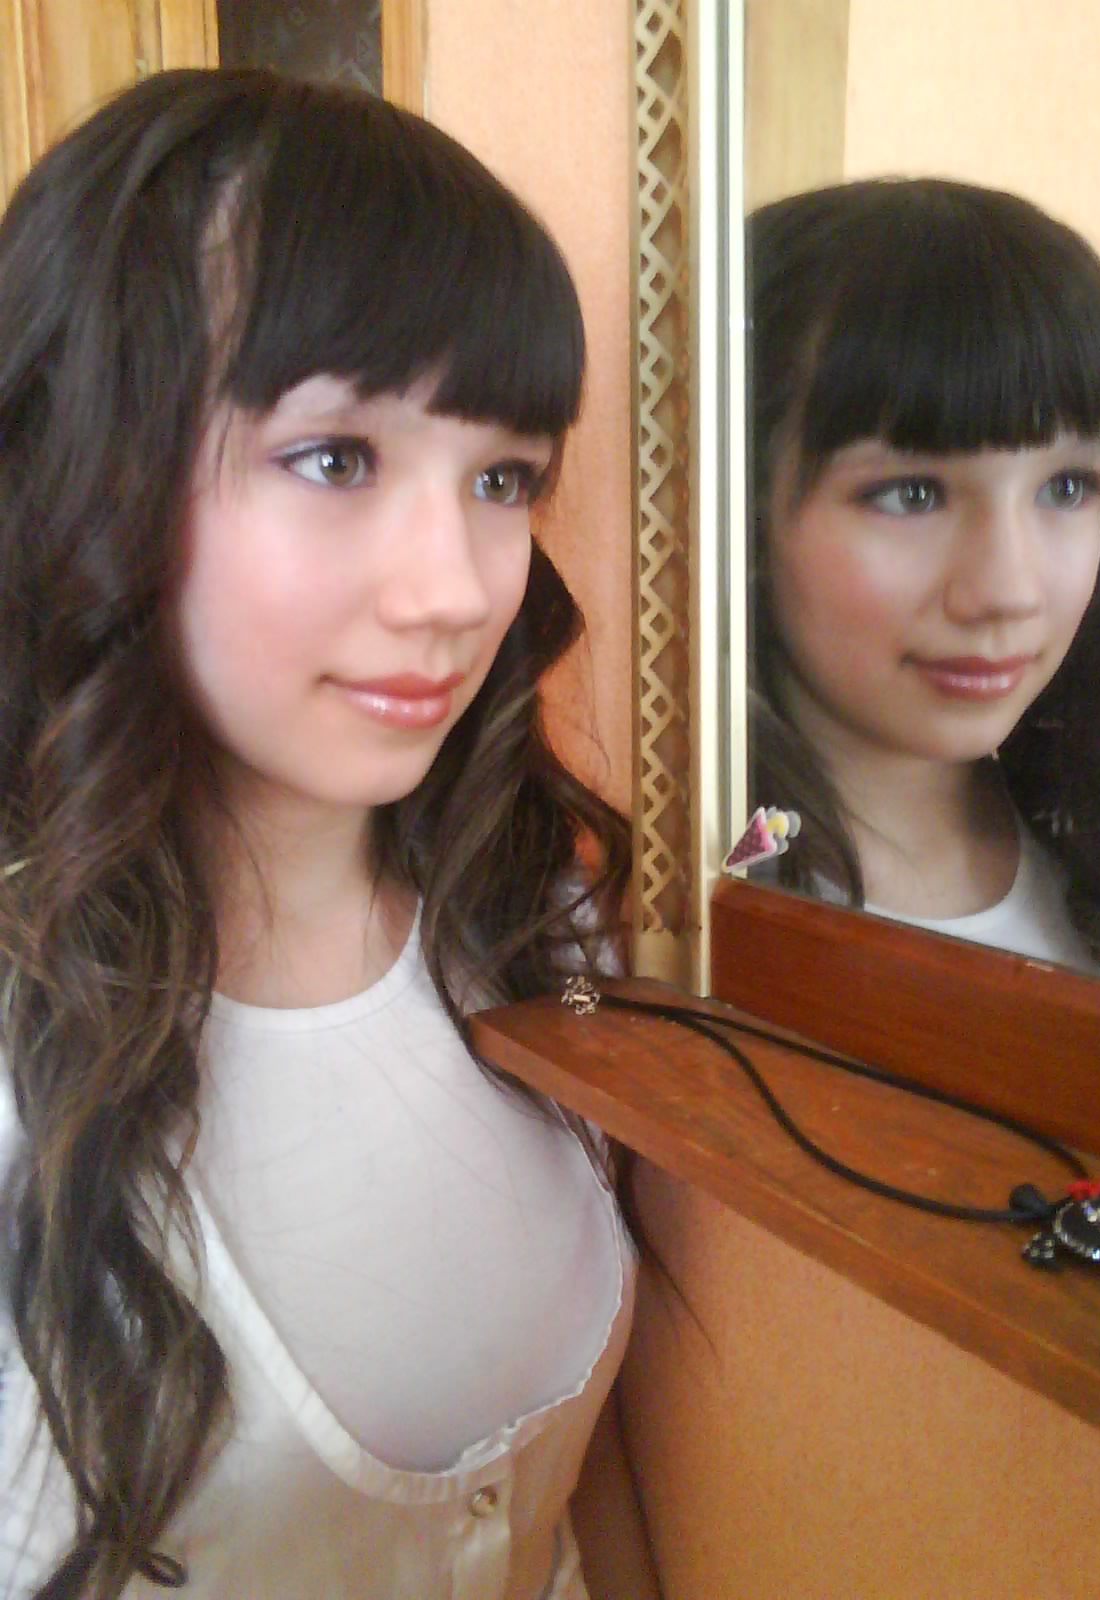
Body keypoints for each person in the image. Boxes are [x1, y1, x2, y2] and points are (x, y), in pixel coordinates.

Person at [0, 68, 657, 1599]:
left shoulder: (537, 931)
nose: (456, 589)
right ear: (90, 461)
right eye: (337, 458)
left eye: (502, 479)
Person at [748, 178, 1100, 992]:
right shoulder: (651, 920)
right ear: (741, 510)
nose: (1008, 591)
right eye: (912, 495)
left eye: (1067, 488)